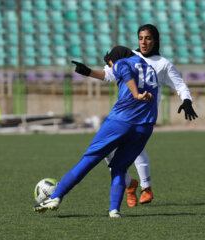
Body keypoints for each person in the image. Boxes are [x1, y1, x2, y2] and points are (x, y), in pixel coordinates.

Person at [71, 24, 198, 207]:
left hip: (144, 114)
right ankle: (130, 184)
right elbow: (108, 74)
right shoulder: (130, 56)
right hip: (123, 112)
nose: (144, 42)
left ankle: (146, 188)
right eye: (141, 38)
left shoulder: (163, 64)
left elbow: (180, 85)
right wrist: (87, 71)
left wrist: (186, 101)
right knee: (109, 152)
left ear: (155, 40)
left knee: (136, 150)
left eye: (148, 38)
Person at [34, 46, 158, 218]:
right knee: (120, 168)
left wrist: (135, 94)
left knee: (90, 159)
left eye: (110, 64)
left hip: (121, 121)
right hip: (145, 126)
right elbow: (115, 74)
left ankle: (55, 197)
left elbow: (122, 70)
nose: (111, 68)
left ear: (116, 58)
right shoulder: (149, 67)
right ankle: (114, 210)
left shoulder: (122, 62)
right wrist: (89, 72)